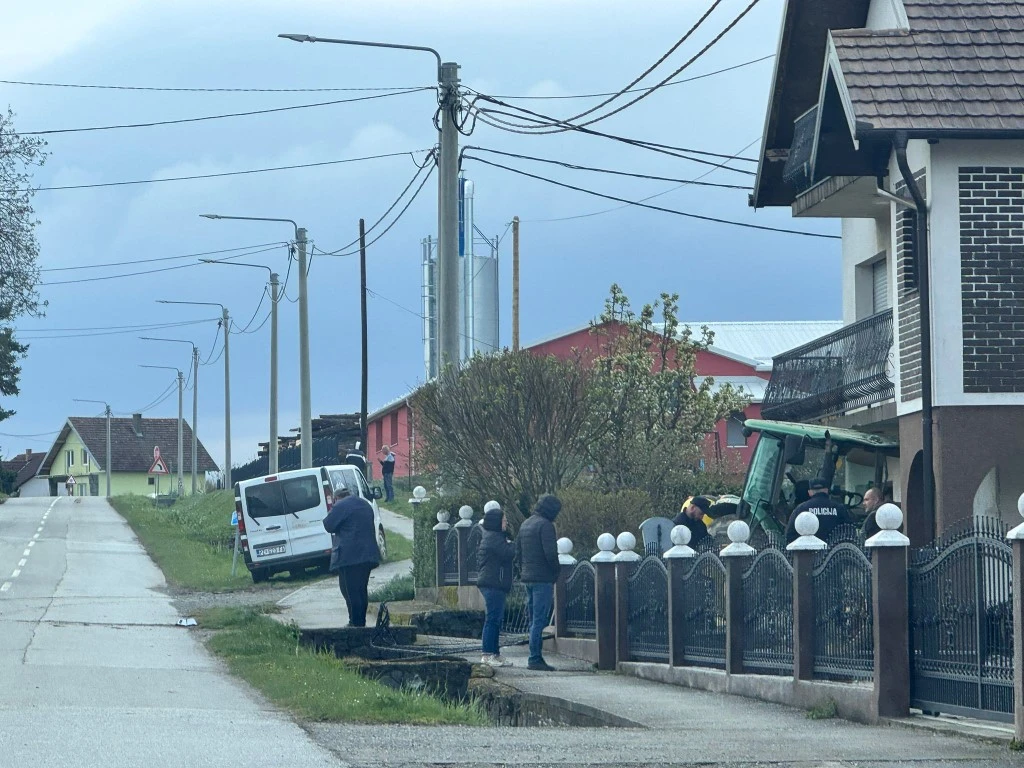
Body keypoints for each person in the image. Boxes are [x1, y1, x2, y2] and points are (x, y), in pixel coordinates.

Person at [514, 494, 562, 672]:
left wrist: (522, 571)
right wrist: (556, 572)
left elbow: (518, 552)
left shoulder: (525, 524)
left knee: (533, 619)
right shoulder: (545, 526)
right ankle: (535, 658)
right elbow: (551, 554)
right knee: (539, 620)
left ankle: (534, 655)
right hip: (542, 578)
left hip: (528, 577)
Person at [323, 486, 380, 627]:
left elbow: (328, 525)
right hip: (368, 554)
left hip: (349, 556)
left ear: (336, 498)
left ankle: (355, 624)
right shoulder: (364, 504)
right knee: (361, 589)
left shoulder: (340, 506)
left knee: (350, 591)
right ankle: (360, 622)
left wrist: (333, 508)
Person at [476, 500, 514, 667]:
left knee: (496, 619)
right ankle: (487, 654)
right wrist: (513, 544)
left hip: (493, 582)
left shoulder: (493, 537)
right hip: (493, 583)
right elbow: (508, 553)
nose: (506, 523)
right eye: (504, 520)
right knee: (492, 619)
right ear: (497, 522)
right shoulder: (494, 538)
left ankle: (495, 653)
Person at [785, 477, 852, 543]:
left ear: (810, 492)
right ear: (826, 490)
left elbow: (789, 534)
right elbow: (850, 532)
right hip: (835, 548)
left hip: (809, 549)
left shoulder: (801, 509)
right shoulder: (839, 508)